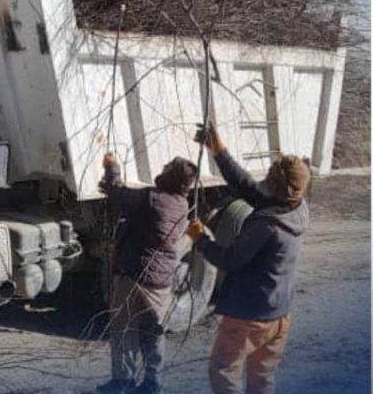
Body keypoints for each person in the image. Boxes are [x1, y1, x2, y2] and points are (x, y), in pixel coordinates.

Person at [187, 123, 310, 394]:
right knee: (262, 377)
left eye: (268, 177)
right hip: (278, 314)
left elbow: (230, 259)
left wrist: (201, 240)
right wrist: (219, 151)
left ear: (275, 186)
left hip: (250, 317)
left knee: (223, 370)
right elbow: (248, 188)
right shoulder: (298, 208)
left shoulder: (266, 225)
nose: (261, 181)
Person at [97, 153, 198, 394]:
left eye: (166, 167)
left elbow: (118, 193)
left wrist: (112, 167)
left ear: (168, 175)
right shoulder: (182, 205)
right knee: (154, 333)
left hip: (134, 275)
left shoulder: (151, 198)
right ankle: (153, 383)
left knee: (124, 328)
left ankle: (123, 381)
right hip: (161, 282)